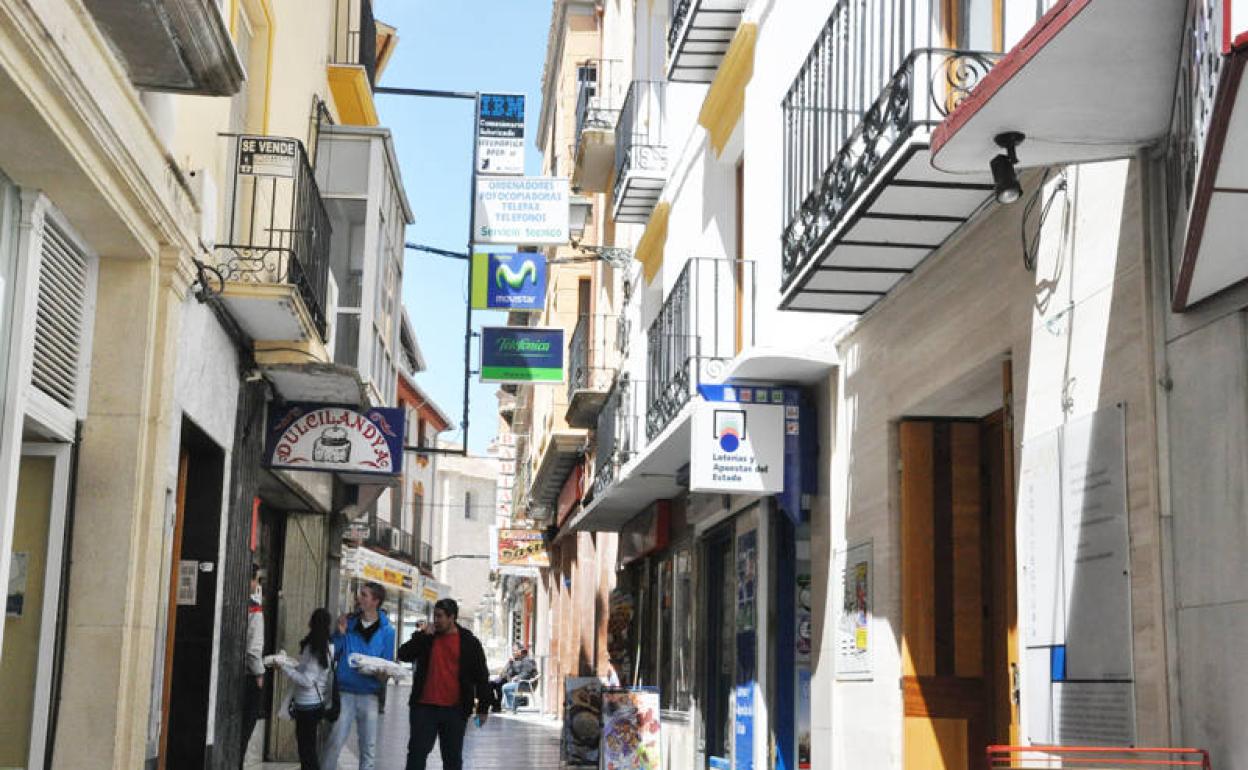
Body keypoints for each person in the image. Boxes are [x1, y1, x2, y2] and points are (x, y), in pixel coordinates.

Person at [398, 598, 492, 770]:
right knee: (417, 754)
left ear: (452, 617)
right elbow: (403, 654)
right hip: (424, 708)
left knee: (452, 758)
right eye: (434, 616)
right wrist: (422, 637)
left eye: (440, 616)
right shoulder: (427, 638)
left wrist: (483, 708)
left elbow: (481, 676)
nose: (436, 620)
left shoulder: (469, 643)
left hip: (454, 710)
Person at [322, 582, 396, 770]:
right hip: (345, 692)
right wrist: (339, 633)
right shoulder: (349, 623)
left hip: (370, 695)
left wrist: (382, 675)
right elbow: (334, 653)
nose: (358, 598)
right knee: (334, 743)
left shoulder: (388, 631)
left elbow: (386, 663)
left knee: (368, 749)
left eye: (364, 595)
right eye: (359, 594)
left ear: (375, 601)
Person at [274, 608, 333, 770]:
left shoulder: (316, 648)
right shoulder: (322, 646)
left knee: (306, 750)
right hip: (310, 704)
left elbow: (307, 680)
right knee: (307, 749)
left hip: (308, 705)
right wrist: (290, 664)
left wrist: (285, 668)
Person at [240, 565, 265, 768]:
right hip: (247, 676)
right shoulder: (255, 610)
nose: (257, 584)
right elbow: (253, 650)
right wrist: (259, 673)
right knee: (245, 728)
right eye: (257, 579)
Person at [494, 645, 537, 712]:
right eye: (513, 651)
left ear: (521, 651)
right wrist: (510, 664)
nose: (513, 652)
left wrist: (518, 677)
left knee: (505, 687)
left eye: (515, 651)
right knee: (499, 684)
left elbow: (526, 673)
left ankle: (511, 707)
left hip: (526, 684)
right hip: (521, 682)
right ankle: (506, 706)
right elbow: (509, 673)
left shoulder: (528, 660)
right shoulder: (520, 660)